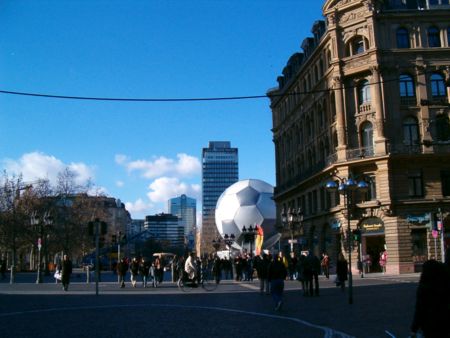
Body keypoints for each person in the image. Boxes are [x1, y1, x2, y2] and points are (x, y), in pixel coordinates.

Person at [410, 259, 450, 338]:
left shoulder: (424, 287)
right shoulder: (446, 284)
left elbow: (420, 310)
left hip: (430, 325)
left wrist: (414, 328)